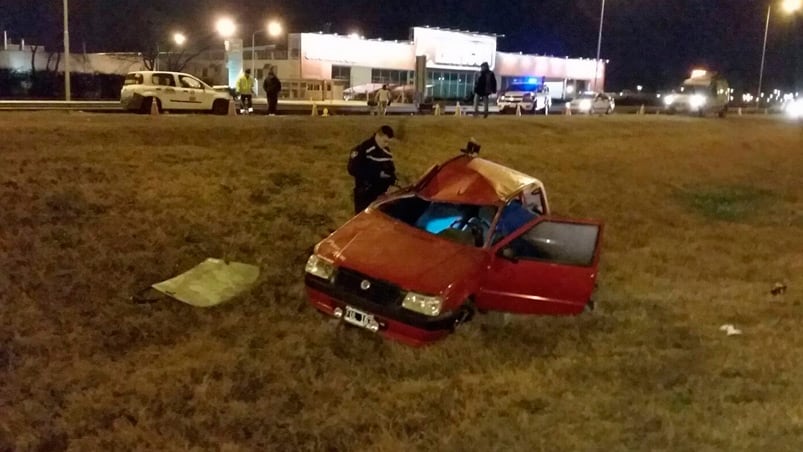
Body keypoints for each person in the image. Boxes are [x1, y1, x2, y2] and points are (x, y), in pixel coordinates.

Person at [347, 125, 397, 214]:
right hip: (365, 194)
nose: (386, 145)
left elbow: (391, 171)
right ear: (378, 136)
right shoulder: (363, 149)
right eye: (385, 141)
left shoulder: (386, 152)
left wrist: (392, 182)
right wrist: (377, 174)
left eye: (388, 142)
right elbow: (352, 169)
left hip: (381, 195)